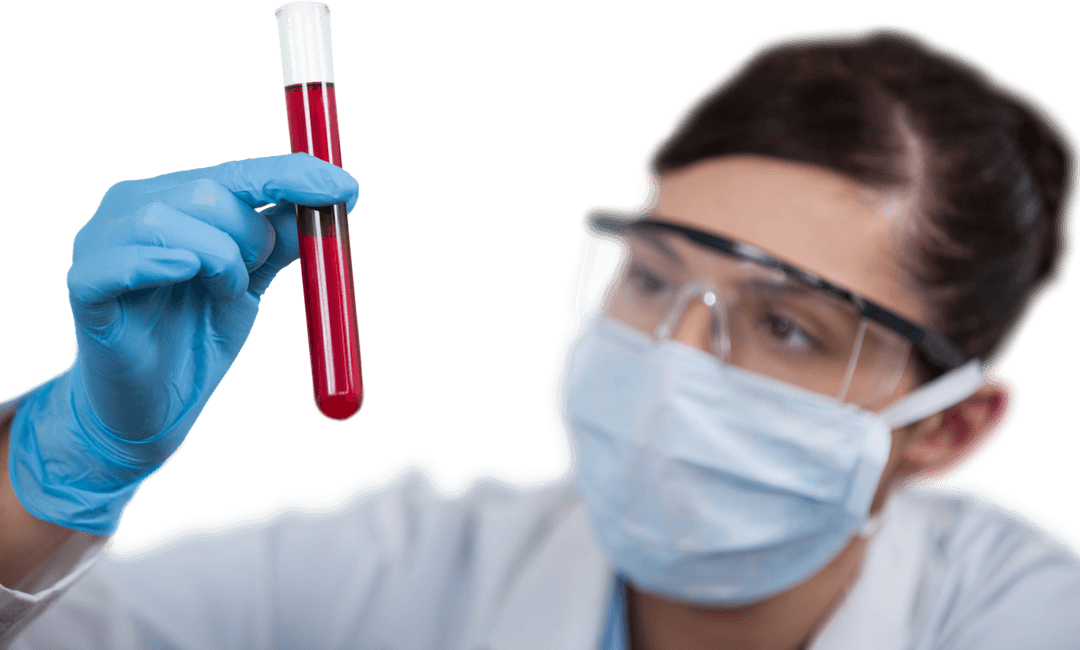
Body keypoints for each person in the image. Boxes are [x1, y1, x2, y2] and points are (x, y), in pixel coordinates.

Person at [2, 22, 1079, 650]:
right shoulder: (418, 561)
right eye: (653, 276)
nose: (675, 359)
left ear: (952, 427)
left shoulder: (1025, 613)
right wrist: (71, 460)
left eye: (787, 327)